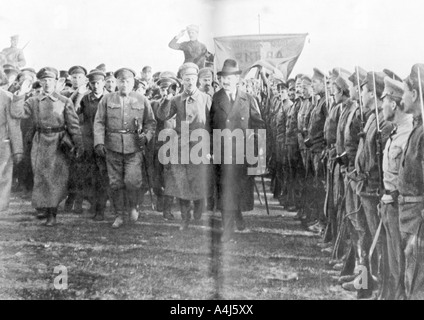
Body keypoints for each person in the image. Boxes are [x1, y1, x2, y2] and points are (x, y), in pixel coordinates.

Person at [11, 67, 83, 226]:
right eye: (44, 80)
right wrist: (20, 94)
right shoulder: (33, 100)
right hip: (40, 142)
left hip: (59, 142)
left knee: (56, 178)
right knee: (41, 176)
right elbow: (17, 113)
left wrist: (78, 144)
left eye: (50, 80)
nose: (47, 83)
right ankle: (43, 208)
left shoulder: (64, 101)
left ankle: (53, 213)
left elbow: (73, 125)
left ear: (56, 82)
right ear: (40, 82)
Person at [210, 58, 265, 242]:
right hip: (222, 152)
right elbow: (210, 126)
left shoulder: (248, 99)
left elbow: (259, 125)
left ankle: (238, 214)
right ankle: (228, 227)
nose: (225, 81)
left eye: (229, 78)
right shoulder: (216, 98)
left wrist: (256, 150)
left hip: (242, 153)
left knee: (239, 189)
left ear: (237, 79)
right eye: (223, 78)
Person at [93, 68, 156, 229]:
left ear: (133, 82)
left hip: (134, 148)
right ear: (116, 82)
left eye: (128, 81)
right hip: (112, 146)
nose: (124, 84)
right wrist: (99, 142)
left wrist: (146, 137)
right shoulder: (107, 99)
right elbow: (99, 122)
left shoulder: (142, 99)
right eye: (121, 80)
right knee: (115, 183)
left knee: (133, 181)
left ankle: (133, 206)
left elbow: (151, 123)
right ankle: (119, 214)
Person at [157, 63, 211, 230]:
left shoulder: (206, 98)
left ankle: (199, 209)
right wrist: (165, 100)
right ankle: (185, 218)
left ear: (197, 80)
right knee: (181, 183)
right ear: (182, 80)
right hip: (181, 148)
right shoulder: (176, 99)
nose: (190, 82)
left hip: (201, 146)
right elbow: (162, 115)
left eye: (193, 79)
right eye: (186, 79)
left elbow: (213, 123)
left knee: (198, 182)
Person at [377, 76, 413, 300]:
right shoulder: (396, 130)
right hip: (389, 204)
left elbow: (410, 177)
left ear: (393, 103)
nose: (381, 106)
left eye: (384, 101)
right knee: (391, 262)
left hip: (400, 207)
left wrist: (393, 196)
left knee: (400, 266)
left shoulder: (408, 133)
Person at [398, 63, 424, 299]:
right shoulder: (417, 128)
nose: (401, 96)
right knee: (410, 275)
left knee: (416, 281)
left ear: (415, 94)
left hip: (418, 220)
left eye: (404, 90)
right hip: (408, 214)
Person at [76, 69, 109, 221]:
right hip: (89, 141)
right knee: (90, 176)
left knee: (103, 176)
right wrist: (78, 95)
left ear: (103, 82)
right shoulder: (85, 99)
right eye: (93, 83)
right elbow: (75, 113)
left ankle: (101, 209)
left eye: (98, 82)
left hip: (105, 142)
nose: (96, 85)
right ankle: (94, 206)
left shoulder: (110, 98)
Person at [146, 71, 179, 220]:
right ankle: (160, 197)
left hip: (173, 146)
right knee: (155, 178)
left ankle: (167, 208)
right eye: (163, 89)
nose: (165, 91)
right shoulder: (152, 104)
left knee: (171, 179)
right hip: (156, 146)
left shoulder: (180, 104)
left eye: (169, 88)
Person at [0, 69, 23, 211]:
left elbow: (14, 124)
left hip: (3, 142)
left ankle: (1, 206)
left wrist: (18, 149)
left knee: (4, 176)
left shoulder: (7, 97)